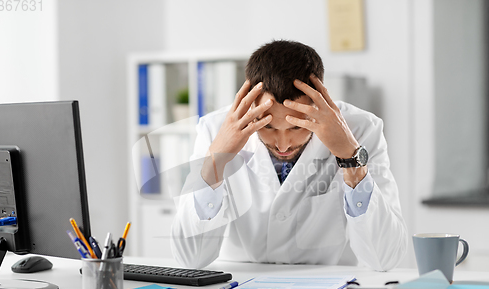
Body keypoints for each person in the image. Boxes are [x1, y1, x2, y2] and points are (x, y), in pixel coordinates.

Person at [171, 40, 407, 271]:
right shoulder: (215, 130)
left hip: (326, 287)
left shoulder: (362, 130)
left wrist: (349, 156)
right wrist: (216, 158)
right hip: (238, 286)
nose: (283, 145)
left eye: (297, 127)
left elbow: (384, 257)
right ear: (251, 104)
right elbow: (190, 258)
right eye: (269, 127)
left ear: (321, 101)